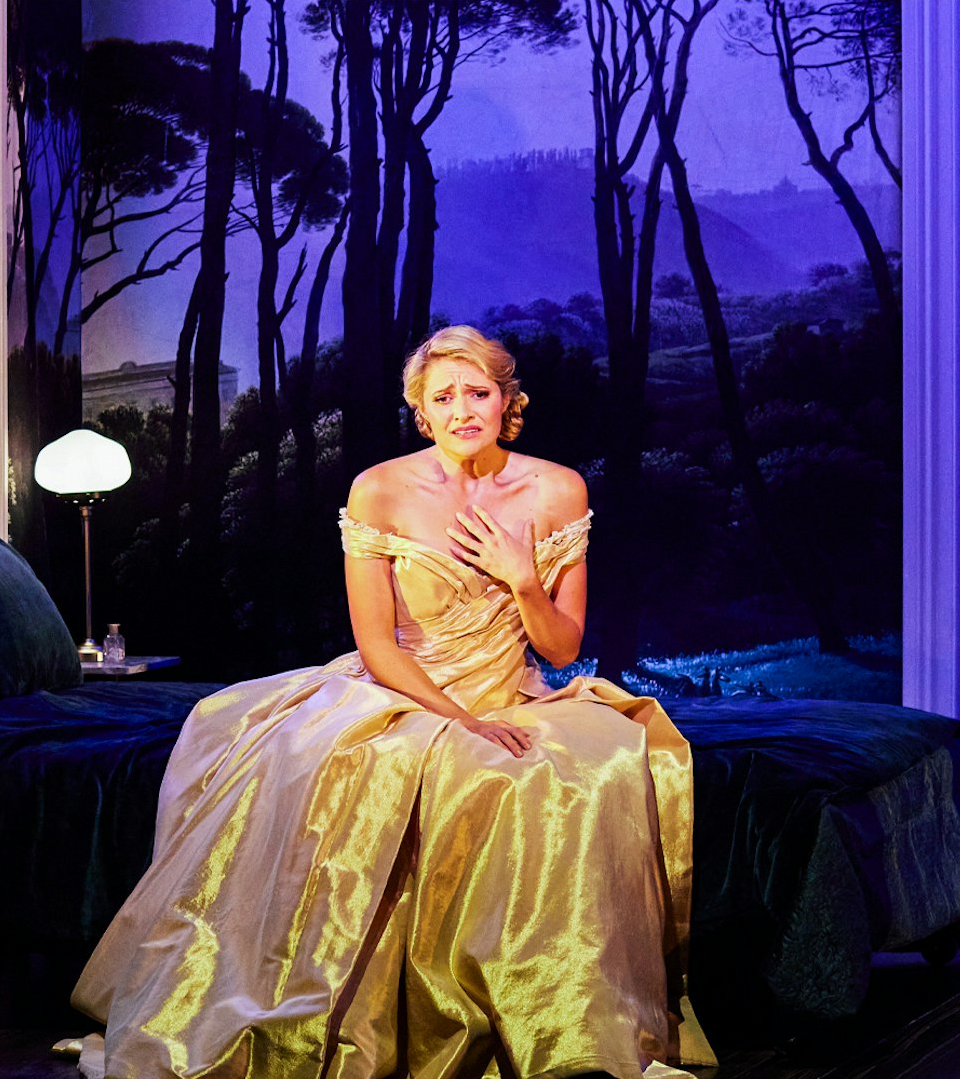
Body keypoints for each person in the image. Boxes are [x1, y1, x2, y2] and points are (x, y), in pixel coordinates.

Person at [69, 326, 709, 1078]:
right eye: (444, 397)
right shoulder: (380, 489)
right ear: (421, 411)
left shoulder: (555, 488)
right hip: (403, 691)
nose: (463, 409)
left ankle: (548, 1025)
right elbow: (378, 646)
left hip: (512, 689)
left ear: (508, 401)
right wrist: (461, 720)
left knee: (583, 773)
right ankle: (379, 1017)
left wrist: (522, 577)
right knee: (386, 767)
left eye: (479, 393)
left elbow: (563, 648)